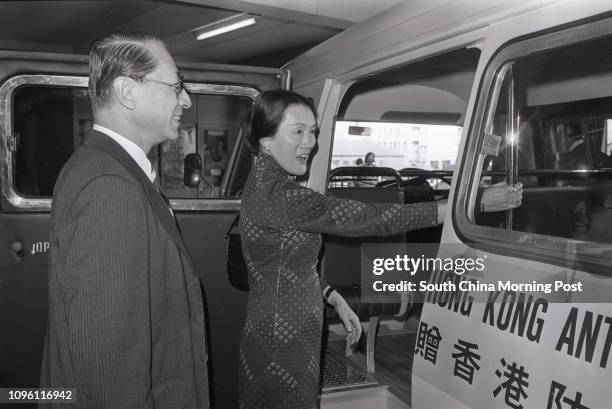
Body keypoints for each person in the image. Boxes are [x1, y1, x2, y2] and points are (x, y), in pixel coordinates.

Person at [238, 90, 445, 409]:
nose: (310, 142)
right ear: (266, 140)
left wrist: (334, 298)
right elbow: (372, 220)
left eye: (313, 131)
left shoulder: (264, 183)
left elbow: (285, 265)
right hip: (284, 338)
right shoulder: (282, 195)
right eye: (298, 132)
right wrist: (447, 210)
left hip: (275, 325)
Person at [40, 31, 209, 408]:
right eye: (176, 85)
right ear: (127, 92)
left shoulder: (104, 167)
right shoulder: (109, 187)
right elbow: (109, 371)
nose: (186, 98)